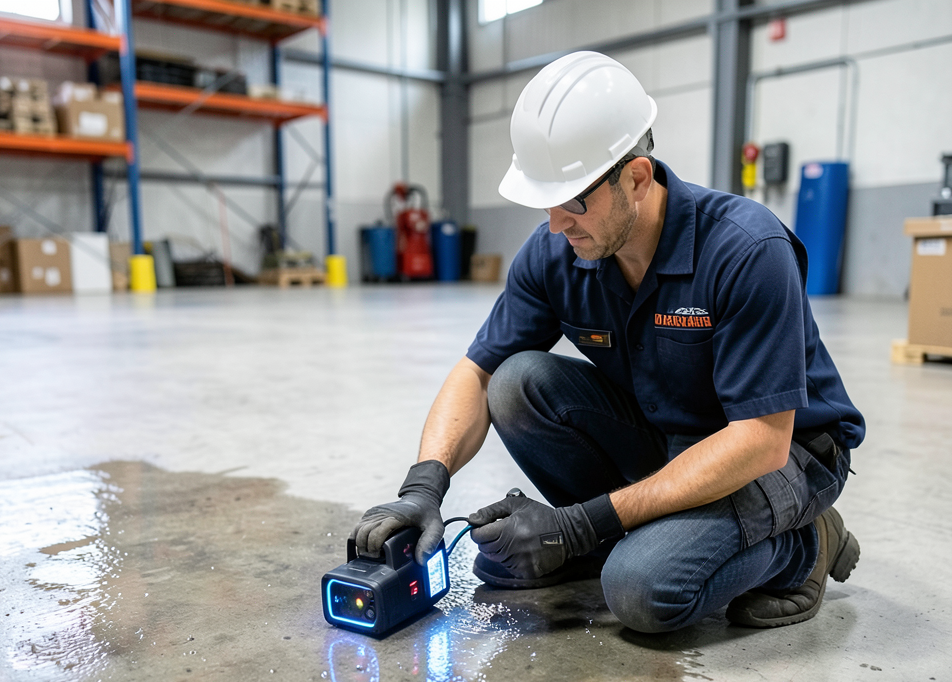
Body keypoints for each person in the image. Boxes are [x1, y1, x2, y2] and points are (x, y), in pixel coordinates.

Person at [353, 51, 865, 633]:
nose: (555, 224)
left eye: (574, 200)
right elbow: (479, 373)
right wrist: (425, 486)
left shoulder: (746, 250)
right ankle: (613, 539)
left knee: (641, 589)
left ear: (638, 178)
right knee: (519, 381)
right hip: (674, 436)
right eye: (544, 200)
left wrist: (575, 525)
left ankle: (805, 546)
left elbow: (760, 441)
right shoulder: (559, 252)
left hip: (783, 454)